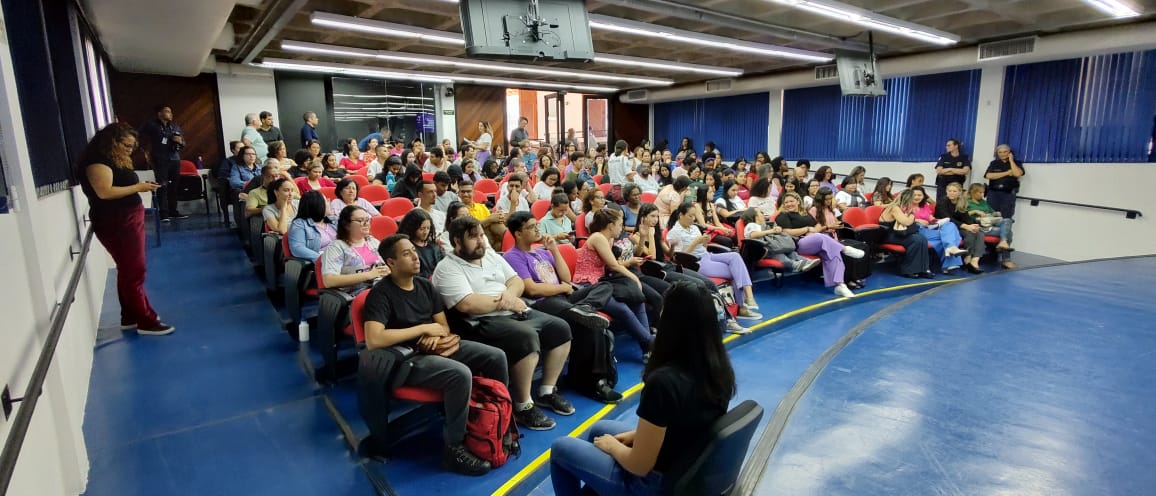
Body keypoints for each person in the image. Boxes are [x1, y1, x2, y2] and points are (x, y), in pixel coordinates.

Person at [550, 281, 735, 496]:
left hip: (654, 484)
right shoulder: (718, 367)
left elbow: (639, 465)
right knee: (599, 430)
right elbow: (687, 422)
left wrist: (613, 447)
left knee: (560, 449)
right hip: (686, 463)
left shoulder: (663, 382)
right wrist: (635, 436)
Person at [363, 234, 509, 476]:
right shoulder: (381, 294)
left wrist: (434, 334)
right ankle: (455, 447)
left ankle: (495, 424)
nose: (415, 257)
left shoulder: (425, 286)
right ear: (390, 263)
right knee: (460, 374)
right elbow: (374, 339)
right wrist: (423, 329)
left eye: (414, 250)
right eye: (406, 254)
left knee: (496, 357)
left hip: (437, 346)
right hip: (405, 359)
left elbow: (443, 327)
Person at [432, 216, 574, 431]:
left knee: (560, 328)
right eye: (473, 238)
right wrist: (503, 302)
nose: (481, 241)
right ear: (457, 242)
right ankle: (523, 405)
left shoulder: (490, 255)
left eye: (481, 235)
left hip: (515, 308)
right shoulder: (447, 268)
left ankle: (546, 391)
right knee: (526, 337)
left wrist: (509, 296)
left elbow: (515, 281)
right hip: (482, 322)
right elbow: (467, 304)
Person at [503, 212, 622, 403]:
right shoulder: (512, 256)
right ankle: (595, 382)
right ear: (518, 233)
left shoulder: (542, 252)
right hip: (543, 302)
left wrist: (554, 250)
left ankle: (585, 307)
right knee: (591, 326)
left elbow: (566, 277)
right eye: (532, 227)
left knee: (605, 285)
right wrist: (563, 288)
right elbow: (531, 289)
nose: (537, 229)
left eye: (537, 225)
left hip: (564, 296)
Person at [77, 123, 173, 335]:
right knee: (134, 270)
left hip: (128, 216)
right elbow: (105, 192)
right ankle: (146, 320)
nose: (130, 150)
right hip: (117, 220)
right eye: (126, 145)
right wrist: (139, 187)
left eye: (132, 146)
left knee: (128, 269)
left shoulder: (114, 160)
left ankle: (129, 316)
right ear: (112, 142)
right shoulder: (97, 163)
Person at [571, 209, 657, 358]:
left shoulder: (609, 239)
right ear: (610, 225)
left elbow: (615, 264)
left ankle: (647, 347)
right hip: (588, 286)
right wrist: (634, 278)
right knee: (622, 308)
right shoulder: (598, 237)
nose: (621, 228)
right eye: (619, 224)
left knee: (637, 298)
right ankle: (650, 342)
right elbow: (614, 265)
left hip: (603, 282)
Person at [666, 203, 762, 319]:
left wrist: (704, 241)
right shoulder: (673, 233)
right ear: (681, 215)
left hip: (707, 255)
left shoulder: (695, 228)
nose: (693, 219)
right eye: (690, 216)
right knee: (736, 271)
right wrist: (696, 242)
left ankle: (749, 298)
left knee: (735, 256)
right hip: (695, 262)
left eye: (694, 216)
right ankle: (742, 307)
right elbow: (679, 257)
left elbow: (703, 248)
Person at [776, 192, 864, 296]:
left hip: (813, 240)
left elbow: (818, 225)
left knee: (833, 253)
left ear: (798, 202)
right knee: (822, 237)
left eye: (791, 201)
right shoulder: (783, 215)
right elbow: (787, 232)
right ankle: (844, 249)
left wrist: (812, 231)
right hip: (798, 243)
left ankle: (840, 285)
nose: (789, 204)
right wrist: (807, 229)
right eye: (786, 202)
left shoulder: (804, 213)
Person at [320, 206, 388, 295]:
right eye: (360, 220)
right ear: (347, 225)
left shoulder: (372, 241)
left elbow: (387, 263)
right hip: (357, 295)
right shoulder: (337, 247)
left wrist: (388, 269)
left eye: (367, 220)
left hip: (380, 287)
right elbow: (329, 280)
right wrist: (369, 274)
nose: (366, 224)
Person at [137, 104, 187, 220]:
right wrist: (144, 149)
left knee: (174, 187)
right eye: (167, 111)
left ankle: (173, 211)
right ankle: (164, 213)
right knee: (162, 186)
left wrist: (180, 141)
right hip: (160, 159)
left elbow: (184, 143)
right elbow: (138, 133)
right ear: (159, 114)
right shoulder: (152, 125)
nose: (170, 114)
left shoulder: (175, 127)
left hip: (175, 159)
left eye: (171, 112)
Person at [910, 186, 968, 274]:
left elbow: (930, 217)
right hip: (917, 230)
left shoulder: (925, 205)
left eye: (920, 195)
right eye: (915, 195)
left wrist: (935, 221)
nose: (917, 197)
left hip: (929, 228)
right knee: (951, 236)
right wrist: (917, 220)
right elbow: (902, 219)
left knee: (950, 224)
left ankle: (950, 249)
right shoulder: (905, 206)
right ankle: (950, 258)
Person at [879, 189, 933, 278]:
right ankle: (908, 270)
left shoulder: (902, 207)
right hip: (888, 235)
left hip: (898, 233)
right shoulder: (895, 208)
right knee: (916, 240)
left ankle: (923, 269)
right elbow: (906, 222)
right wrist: (912, 214)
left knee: (921, 238)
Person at [936, 183, 986, 274]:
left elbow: (966, 217)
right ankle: (967, 259)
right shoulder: (942, 202)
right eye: (949, 191)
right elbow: (948, 219)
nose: (951, 193)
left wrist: (973, 225)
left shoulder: (962, 202)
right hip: (946, 228)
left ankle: (975, 260)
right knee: (968, 234)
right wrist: (966, 226)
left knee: (979, 233)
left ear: (959, 193)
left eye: (954, 191)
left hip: (959, 226)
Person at [967, 183, 1016, 269]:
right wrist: (975, 211)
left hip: (990, 222)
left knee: (1007, 220)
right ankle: (1006, 259)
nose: (982, 195)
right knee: (1008, 232)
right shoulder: (967, 202)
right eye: (980, 192)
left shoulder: (983, 202)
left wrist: (995, 213)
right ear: (973, 192)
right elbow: (962, 214)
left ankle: (1003, 242)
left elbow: (991, 212)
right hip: (979, 226)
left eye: (983, 192)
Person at [457, 180, 507, 251]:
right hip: (475, 237)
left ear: (474, 193)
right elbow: (469, 229)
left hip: (490, 238)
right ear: (458, 193)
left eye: (468, 191)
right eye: (463, 192)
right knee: (495, 224)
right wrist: (490, 219)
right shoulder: (460, 210)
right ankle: (511, 240)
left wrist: (498, 217)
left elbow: (491, 222)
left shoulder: (482, 207)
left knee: (499, 241)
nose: (465, 194)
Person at [287, 191, 337, 260]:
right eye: (326, 201)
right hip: (325, 263)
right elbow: (297, 248)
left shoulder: (333, 220)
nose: (329, 202)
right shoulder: (300, 224)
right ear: (318, 205)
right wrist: (322, 259)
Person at [397, 209, 444, 279]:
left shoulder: (433, 246)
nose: (426, 232)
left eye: (428, 228)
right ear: (412, 228)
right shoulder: (405, 248)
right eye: (422, 229)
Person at [985, 144, 1025, 219]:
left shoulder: (1017, 163)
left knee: (1006, 217)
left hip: (1008, 194)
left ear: (1010, 152)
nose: (1002, 154)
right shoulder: (994, 163)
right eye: (1000, 152)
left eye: (1005, 152)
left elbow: (1017, 174)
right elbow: (988, 176)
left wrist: (1011, 161)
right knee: (990, 215)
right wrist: (1007, 173)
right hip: (993, 193)